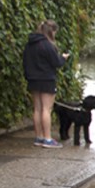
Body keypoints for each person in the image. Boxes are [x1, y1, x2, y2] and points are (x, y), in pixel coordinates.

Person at [23, 19, 68, 148]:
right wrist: (63, 58)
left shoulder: (29, 44)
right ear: (52, 31)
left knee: (37, 108)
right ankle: (48, 139)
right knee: (46, 109)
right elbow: (56, 63)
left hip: (33, 79)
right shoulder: (47, 45)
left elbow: (25, 61)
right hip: (47, 79)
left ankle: (39, 137)